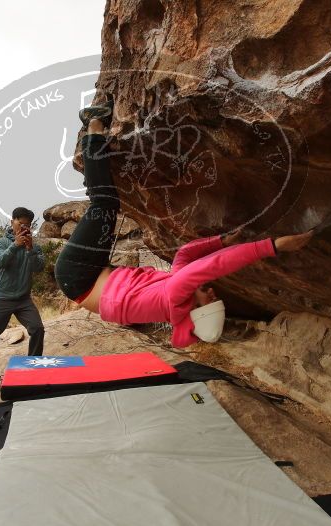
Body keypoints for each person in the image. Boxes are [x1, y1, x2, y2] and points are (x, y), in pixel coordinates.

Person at [54, 99, 313, 348]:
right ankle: (97, 140)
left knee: (105, 204)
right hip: (94, 275)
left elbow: (214, 266)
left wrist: (274, 246)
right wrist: (220, 241)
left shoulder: (175, 297)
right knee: (107, 205)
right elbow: (184, 255)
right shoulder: (175, 299)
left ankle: (94, 123)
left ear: (196, 311)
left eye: (209, 301)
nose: (212, 294)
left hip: (79, 274)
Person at [0, 207, 45, 388]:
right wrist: (15, 245)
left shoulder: (34, 246)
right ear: (12, 222)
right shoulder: (1, 242)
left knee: (37, 329)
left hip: (23, 299)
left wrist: (29, 249)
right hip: (1, 297)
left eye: (27, 224)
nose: (24, 227)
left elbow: (39, 267)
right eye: (20, 223)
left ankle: (33, 366)